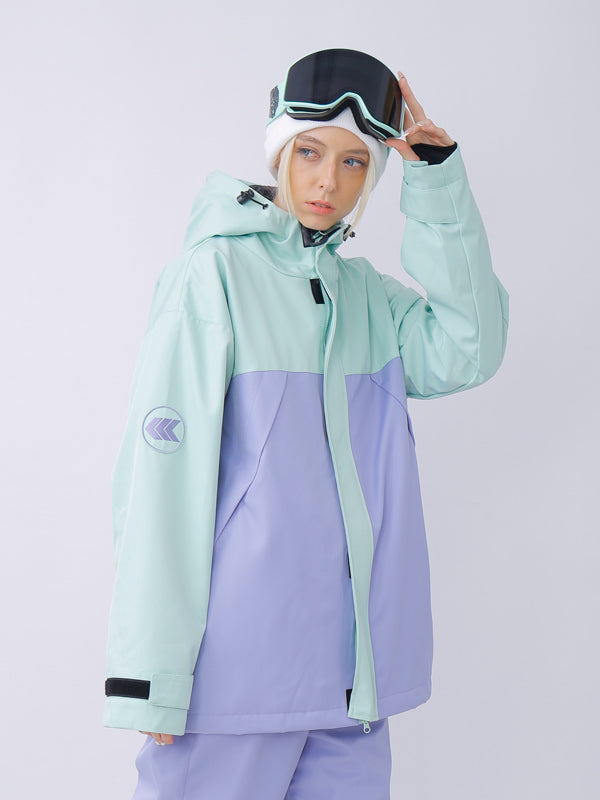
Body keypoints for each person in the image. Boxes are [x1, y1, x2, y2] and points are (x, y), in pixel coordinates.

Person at [103, 48, 509, 799]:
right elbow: (161, 485)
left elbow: (471, 348)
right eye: (311, 152)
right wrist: (152, 673)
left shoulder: (370, 298)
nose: (329, 182)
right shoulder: (212, 278)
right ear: (280, 152)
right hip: (232, 682)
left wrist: (436, 179)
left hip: (352, 686)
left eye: (355, 163)